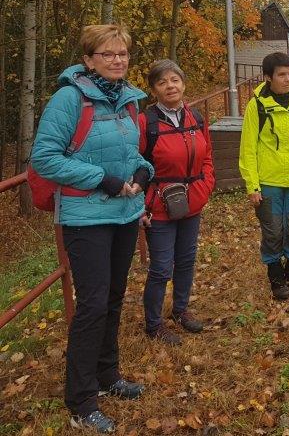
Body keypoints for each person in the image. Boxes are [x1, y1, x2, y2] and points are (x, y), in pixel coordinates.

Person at [30, 24, 153, 434]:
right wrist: (103, 179)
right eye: (108, 54)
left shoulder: (130, 101)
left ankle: (108, 375)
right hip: (86, 218)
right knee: (93, 304)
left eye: (123, 53)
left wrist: (141, 171)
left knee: (114, 298)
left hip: (123, 213)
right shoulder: (69, 99)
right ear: (88, 60)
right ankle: (81, 401)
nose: (118, 60)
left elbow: (132, 152)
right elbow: (45, 158)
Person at [139, 60, 215, 345]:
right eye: (162, 82)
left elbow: (207, 157)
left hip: (192, 203)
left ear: (183, 84)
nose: (170, 86)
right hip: (158, 207)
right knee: (160, 267)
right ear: (154, 89)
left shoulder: (195, 117)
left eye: (175, 80)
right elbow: (138, 165)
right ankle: (153, 323)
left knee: (186, 260)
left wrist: (205, 187)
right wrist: (143, 204)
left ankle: (180, 310)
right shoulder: (146, 123)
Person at [238, 52, 289, 300]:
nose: (287, 79)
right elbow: (248, 148)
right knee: (273, 231)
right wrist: (252, 185)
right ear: (268, 77)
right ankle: (276, 276)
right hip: (269, 182)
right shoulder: (257, 106)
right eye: (282, 75)